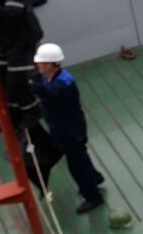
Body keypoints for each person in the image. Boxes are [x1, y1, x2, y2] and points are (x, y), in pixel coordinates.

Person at [30, 43, 106, 214]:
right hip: (64, 127)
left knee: (76, 165)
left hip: (70, 130)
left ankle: (93, 196)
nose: (38, 65)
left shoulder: (63, 82)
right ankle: (95, 178)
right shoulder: (49, 77)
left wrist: (29, 86)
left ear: (50, 65)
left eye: (40, 63)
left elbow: (51, 93)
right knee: (80, 156)